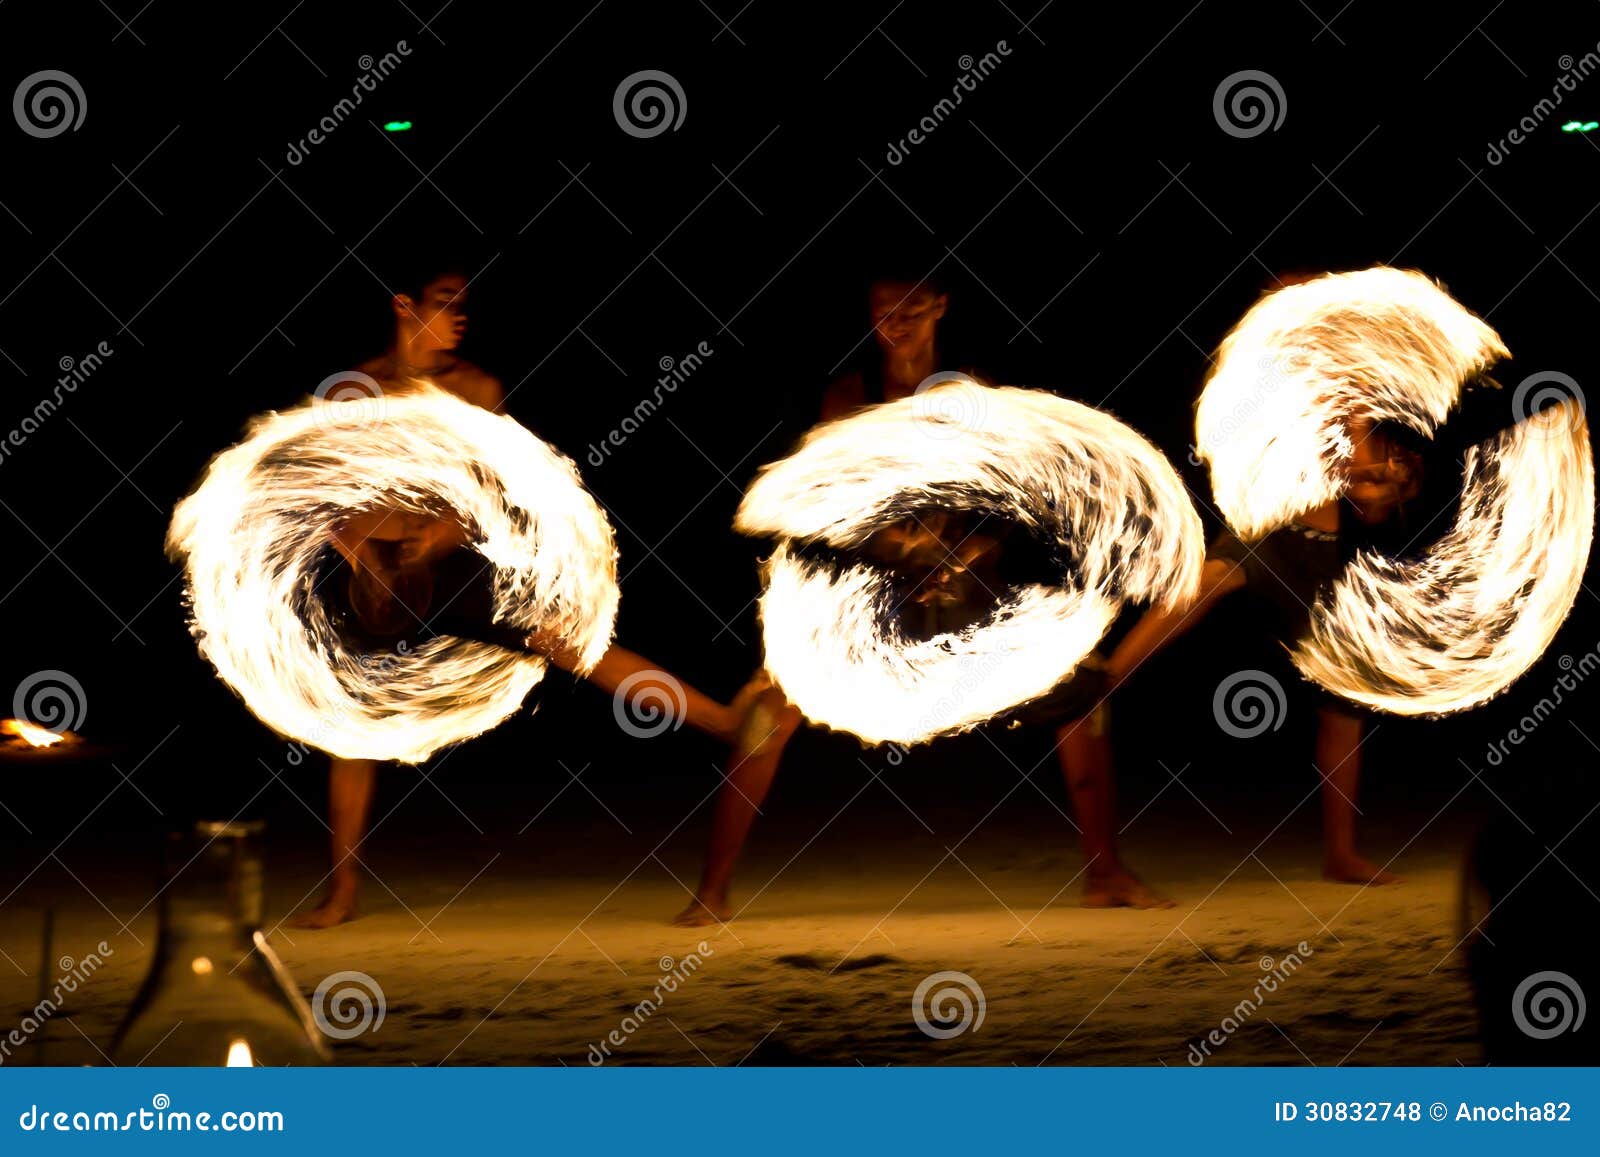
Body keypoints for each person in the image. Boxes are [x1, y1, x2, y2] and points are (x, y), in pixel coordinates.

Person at [672, 268, 1167, 926]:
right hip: (876, 585)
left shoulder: (973, 392)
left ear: (940, 306)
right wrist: (900, 550)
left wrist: (965, 553)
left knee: (1080, 691)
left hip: (966, 576)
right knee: (771, 708)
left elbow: (1006, 492)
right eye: (882, 309)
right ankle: (712, 890)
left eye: (910, 307)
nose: (896, 322)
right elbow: (840, 502)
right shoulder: (852, 395)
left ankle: (1105, 871)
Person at [294, 257, 761, 928]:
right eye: (445, 300)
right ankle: (341, 893)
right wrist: (364, 556)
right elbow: (323, 487)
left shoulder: (478, 387)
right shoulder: (354, 390)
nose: (460, 316)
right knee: (351, 725)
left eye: (464, 305)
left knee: (568, 644)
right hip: (374, 566)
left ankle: (724, 721)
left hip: (450, 562)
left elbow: (491, 484)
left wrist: (439, 539)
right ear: (404, 305)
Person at [1100, 414, 1424, 885]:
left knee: (1343, 707)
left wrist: (1387, 480)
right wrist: (1371, 472)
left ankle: (1341, 855)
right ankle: (1110, 676)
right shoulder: (1306, 405)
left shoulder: (1366, 426)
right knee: (1208, 580)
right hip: (1265, 533)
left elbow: (1366, 500)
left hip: (1314, 559)